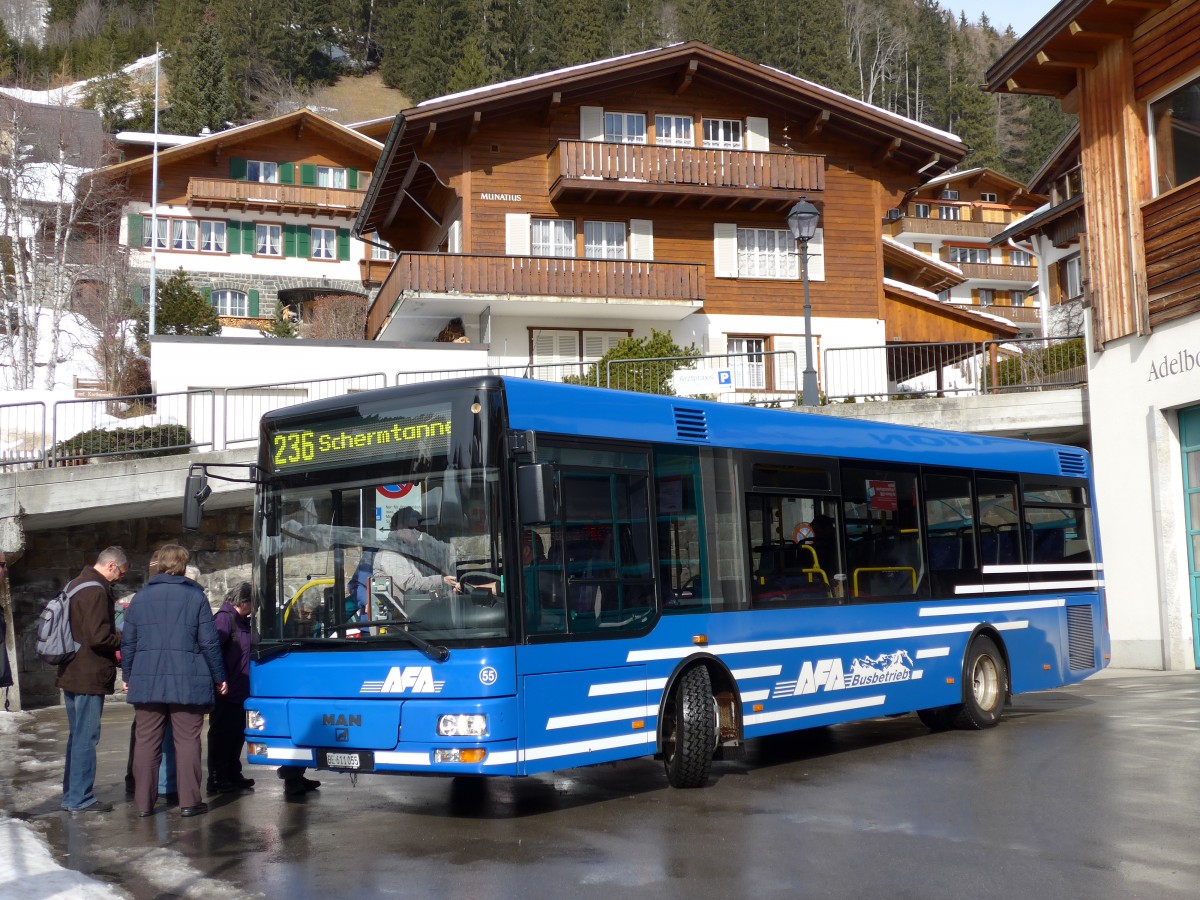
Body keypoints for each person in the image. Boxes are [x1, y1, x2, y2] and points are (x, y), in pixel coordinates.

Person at [121, 544, 227, 818]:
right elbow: (209, 643)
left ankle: (144, 804)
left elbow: (129, 643)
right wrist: (220, 677)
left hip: (146, 679)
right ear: (182, 566)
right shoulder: (195, 597)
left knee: (146, 742)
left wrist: (128, 676)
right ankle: (190, 801)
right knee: (188, 741)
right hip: (188, 679)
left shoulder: (140, 598)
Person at [58, 546, 127, 814]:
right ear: (111, 566)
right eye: (120, 572)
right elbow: (99, 637)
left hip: (71, 671)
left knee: (77, 737)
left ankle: (71, 794)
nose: (120, 578)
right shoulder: (96, 591)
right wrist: (122, 636)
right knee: (86, 737)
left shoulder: (76, 583)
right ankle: (80, 798)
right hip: (88, 674)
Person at [207, 582, 255, 795]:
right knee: (222, 735)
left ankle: (233, 773)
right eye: (253, 603)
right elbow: (213, 651)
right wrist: (220, 679)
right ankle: (217, 777)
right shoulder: (224, 620)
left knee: (237, 735)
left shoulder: (242, 621)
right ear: (244, 602)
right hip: (226, 690)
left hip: (240, 689)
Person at [371, 508, 460, 617]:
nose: (417, 532)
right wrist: (442, 580)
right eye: (412, 528)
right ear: (399, 529)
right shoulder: (390, 552)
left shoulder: (413, 549)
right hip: (402, 621)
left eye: (419, 527)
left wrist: (449, 588)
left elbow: (427, 580)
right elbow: (409, 584)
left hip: (420, 612)